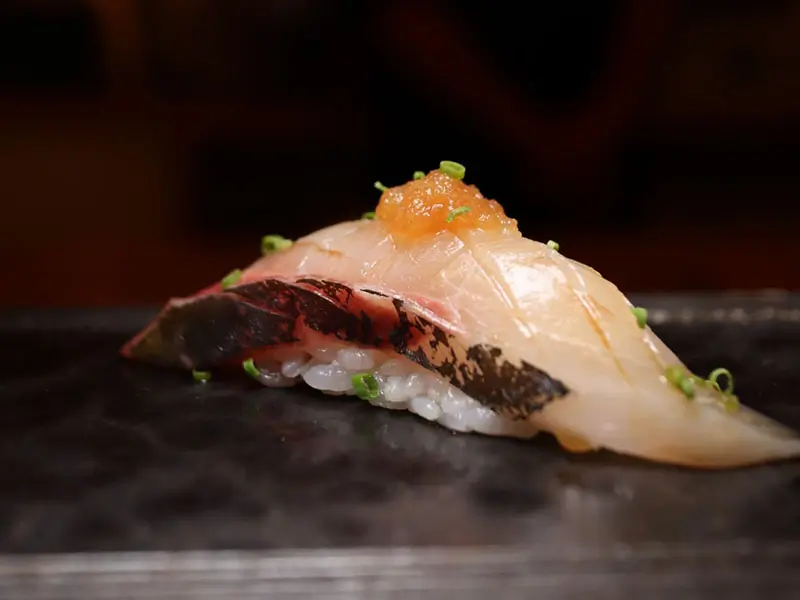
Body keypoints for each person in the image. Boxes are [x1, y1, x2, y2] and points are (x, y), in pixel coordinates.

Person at [363, 0, 674, 226]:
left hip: (606, 161)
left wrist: (600, 128)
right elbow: (408, 20)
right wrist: (533, 140)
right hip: (445, 135)